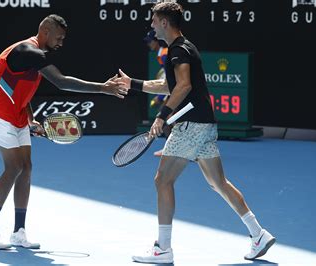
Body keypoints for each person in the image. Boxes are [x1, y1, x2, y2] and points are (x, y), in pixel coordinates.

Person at [116, 2, 275, 263]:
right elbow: (168, 85)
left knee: (162, 180)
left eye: (154, 20)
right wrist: (131, 83)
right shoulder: (181, 48)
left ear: (165, 22)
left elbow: (184, 86)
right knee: (218, 183)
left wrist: (161, 116)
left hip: (191, 125)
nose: (152, 25)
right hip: (205, 125)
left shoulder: (178, 50)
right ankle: (258, 234)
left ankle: (163, 249)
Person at [0, 14, 127, 249]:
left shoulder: (34, 57)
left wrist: (31, 119)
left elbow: (18, 89)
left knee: (26, 168)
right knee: (14, 167)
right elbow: (62, 82)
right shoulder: (28, 51)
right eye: (59, 38)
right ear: (45, 31)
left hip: (16, 113)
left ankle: (19, 232)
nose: (61, 43)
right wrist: (103, 89)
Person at [143, 29, 169, 157]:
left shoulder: (164, 54)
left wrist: (160, 96)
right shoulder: (162, 53)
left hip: (174, 91)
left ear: (156, 41)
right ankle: (172, 148)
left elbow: (170, 78)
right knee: (168, 118)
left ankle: (172, 149)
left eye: (150, 41)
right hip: (172, 90)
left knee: (165, 117)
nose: (149, 44)